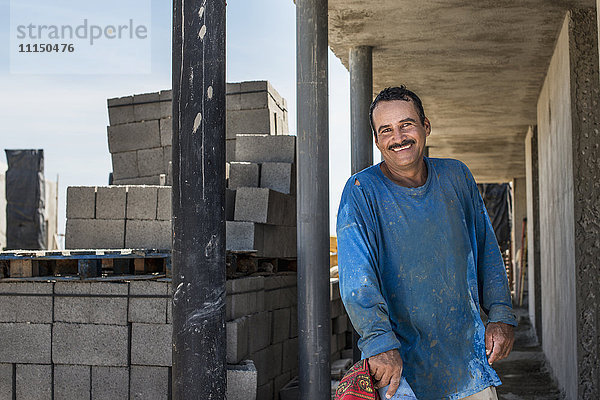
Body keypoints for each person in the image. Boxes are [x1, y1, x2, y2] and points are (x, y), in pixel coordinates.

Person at [336, 86, 516, 400]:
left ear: (425, 127)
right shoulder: (361, 191)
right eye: (386, 130)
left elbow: (486, 248)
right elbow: (357, 280)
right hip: (399, 370)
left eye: (407, 124)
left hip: (468, 363)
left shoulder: (456, 176)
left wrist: (500, 313)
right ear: (377, 140)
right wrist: (379, 343)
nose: (398, 137)